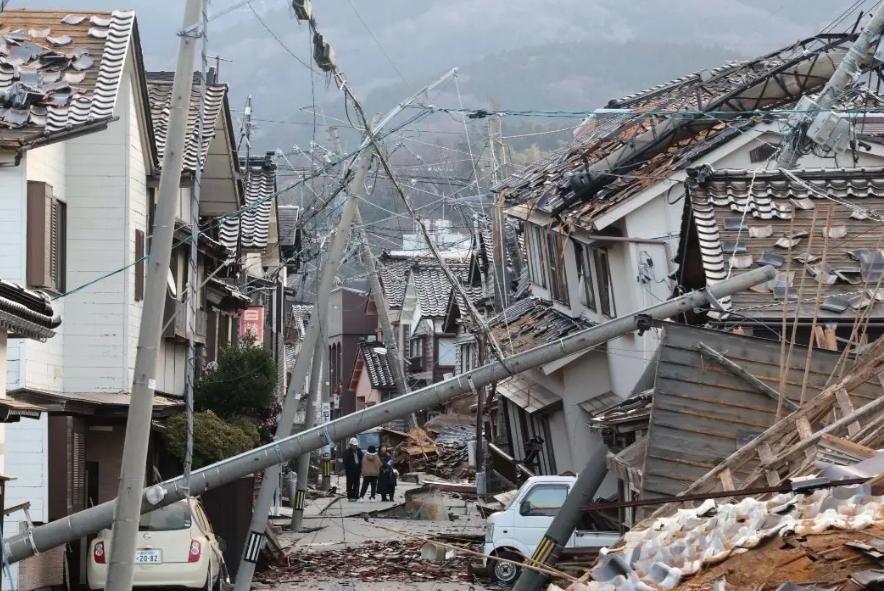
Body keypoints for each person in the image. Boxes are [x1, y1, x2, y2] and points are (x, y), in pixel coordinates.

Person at [342, 437, 363, 502]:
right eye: (353, 445)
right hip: (350, 470)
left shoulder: (359, 450)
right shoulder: (347, 452)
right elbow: (345, 461)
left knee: (357, 483)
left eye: (355, 445)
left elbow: (362, 458)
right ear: (350, 445)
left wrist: (361, 467)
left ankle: (355, 496)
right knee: (349, 484)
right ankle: (350, 496)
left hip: (357, 469)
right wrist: (348, 468)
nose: (354, 447)